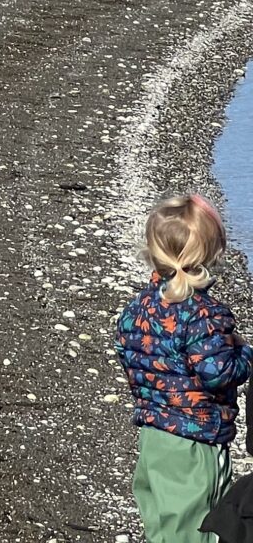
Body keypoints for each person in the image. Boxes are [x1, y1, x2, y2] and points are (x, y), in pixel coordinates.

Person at [117, 193, 252, 542]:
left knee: (161, 521)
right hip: (197, 439)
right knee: (199, 525)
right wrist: (244, 354)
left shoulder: (138, 307)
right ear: (211, 255)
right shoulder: (204, 315)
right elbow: (218, 372)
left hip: (154, 434)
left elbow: (128, 354)